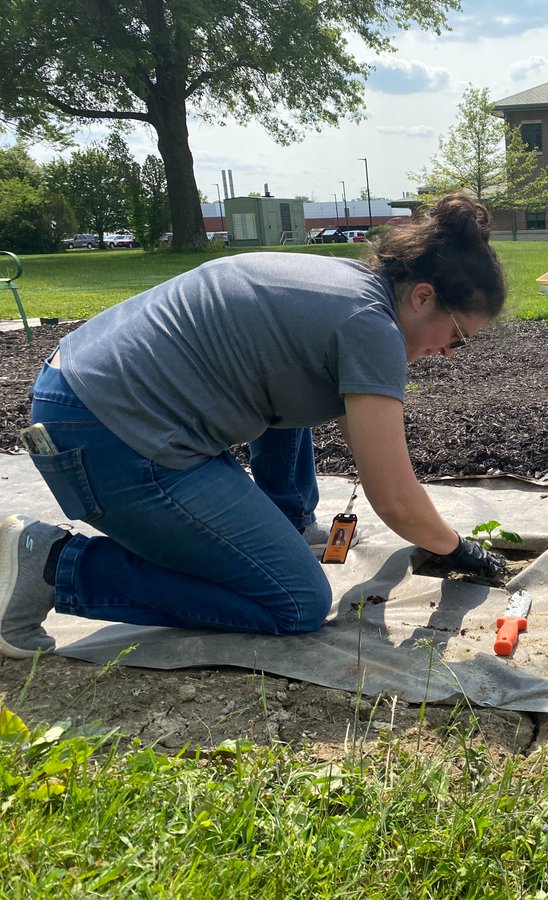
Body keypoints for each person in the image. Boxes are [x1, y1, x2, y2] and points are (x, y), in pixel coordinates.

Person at [0, 194, 509, 659]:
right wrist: (457, 549)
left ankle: (286, 523)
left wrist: (286, 523)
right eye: (457, 337)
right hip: (114, 437)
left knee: (287, 436)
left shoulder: (345, 287)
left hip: (81, 395)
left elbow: (292, 390)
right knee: (296, 602)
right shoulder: (372, 327)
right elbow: (394, 497)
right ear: (422, 297)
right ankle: (52, 566)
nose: (447, 353)